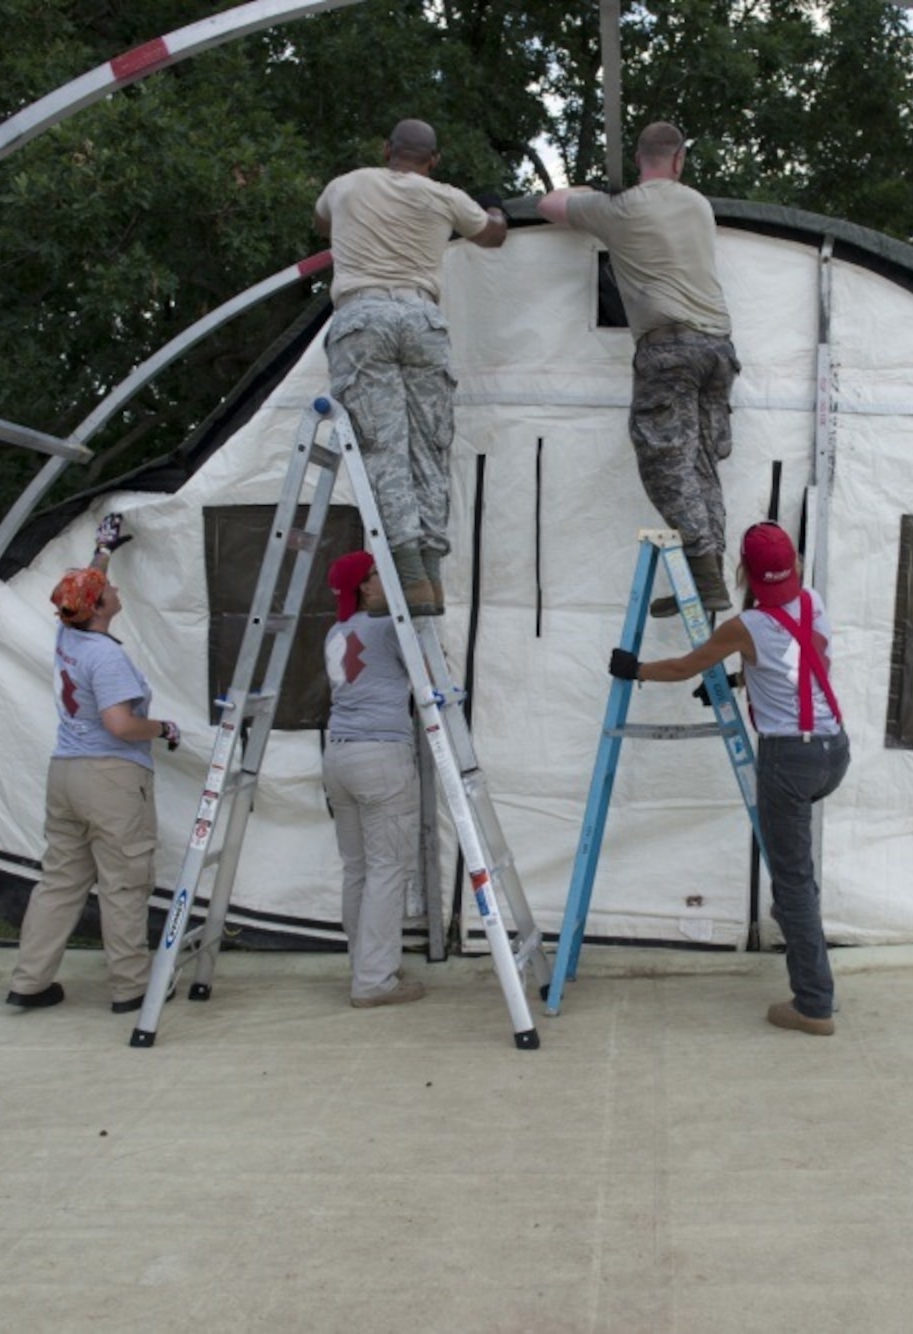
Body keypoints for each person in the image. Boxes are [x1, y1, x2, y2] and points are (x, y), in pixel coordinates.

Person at [608, 523, 849, 1034]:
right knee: (796, 878)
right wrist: (745, 678)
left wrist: (636, 670)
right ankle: (814, 971)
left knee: (793, 885)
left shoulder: (746, 626)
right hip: (833, 750)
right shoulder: (812, 601)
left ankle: (814, 1004)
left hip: (791, 760)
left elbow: (684, 666)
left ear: (744, 573)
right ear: (797, 566)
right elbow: (805, 662)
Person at [539, 121, 738, 618]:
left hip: (669, 349)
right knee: (700, 464)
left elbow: (548, 204)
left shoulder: (620, 211)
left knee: (665, 462)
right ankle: (708, 571)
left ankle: (703, 567)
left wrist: (591, 190)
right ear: (679, 161)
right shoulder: (698, 205)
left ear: (638, 160)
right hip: (718, 349)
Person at [314, 118, 508, 616]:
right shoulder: (445, 196)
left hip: (363, 318)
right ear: (433, 160)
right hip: (423, 321)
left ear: (387, 151)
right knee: (430, 447)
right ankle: (432, 577)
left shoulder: (347, 185)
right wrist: (492, 207)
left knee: (384, 447)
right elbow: (492, 235)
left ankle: (408, 573)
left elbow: (323, 222)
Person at [7, 515, 181, 1013]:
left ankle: (30, 980)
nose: (112, 589)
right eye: (106, 589)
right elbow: (121, 724)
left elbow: (79, 592)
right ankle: (131, 988)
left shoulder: (68, 636)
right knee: (124, 882)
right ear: (99, 608)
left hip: (65, 773)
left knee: (60, 880)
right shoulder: (106, 658)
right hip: (110, 776)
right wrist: (164, 728)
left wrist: (103, 548)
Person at [320, 550, 426, 1008]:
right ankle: (375, 981)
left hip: (339, 754)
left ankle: (364, 965)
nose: (390, 578)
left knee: (358, 869)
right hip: (381, 754)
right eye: (380, 573)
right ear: (365, 586)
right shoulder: (387, 627)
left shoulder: (337, 630)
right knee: (388, 869)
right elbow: (425, 674)